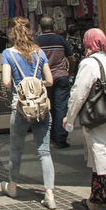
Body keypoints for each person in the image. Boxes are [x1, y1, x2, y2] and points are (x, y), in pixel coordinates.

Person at [63, 28, 106, 210]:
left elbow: (78, 94)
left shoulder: (88, 64)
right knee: (103, 164)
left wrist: (69, 118)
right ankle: (93, 202)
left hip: (98, 120)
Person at [0, 17, 56, 208]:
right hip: (41, 107)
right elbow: (50, 80)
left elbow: (6, 81)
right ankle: (49, 193)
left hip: (20, 106)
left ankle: (12, 186)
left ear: (11, 33)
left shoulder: (8, 54)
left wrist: (19, 86)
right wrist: (36, 83)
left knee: (16, 149)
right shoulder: (39, 52)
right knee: (44, 151)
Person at [34, 15, 73, 148]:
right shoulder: (60, 40)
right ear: (53, 25)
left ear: (40, 27)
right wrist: (70, 72)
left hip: (45, 79)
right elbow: (71, 58)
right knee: (61, 107)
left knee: (47, 107)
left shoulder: (37, 42)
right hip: (61, 76)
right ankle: (60, 137)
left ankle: (48, 136)